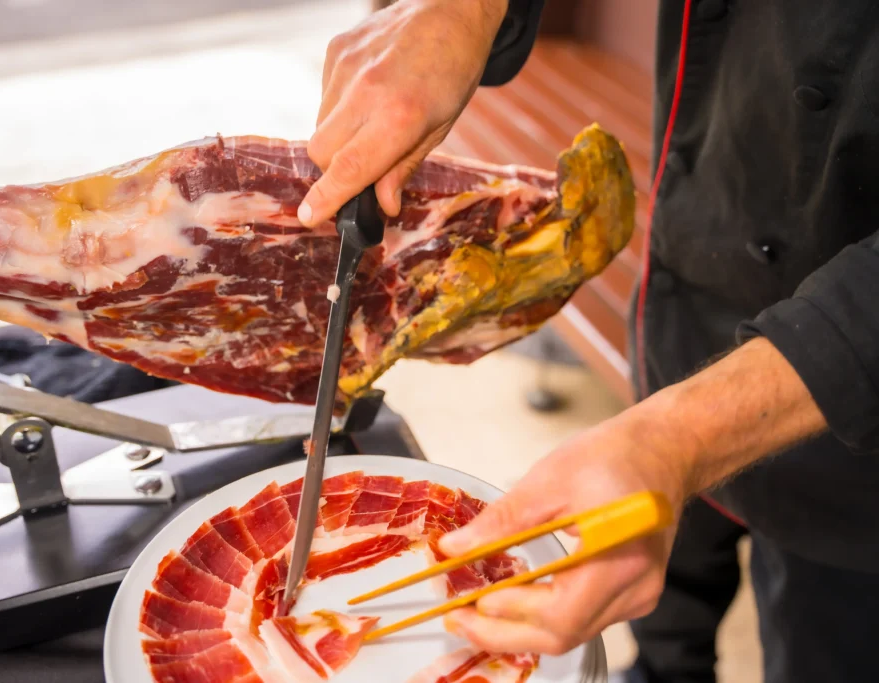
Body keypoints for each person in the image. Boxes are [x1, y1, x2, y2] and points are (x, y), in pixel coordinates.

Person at [298, 1, 879, 682]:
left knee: (818, 637)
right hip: (703, 240)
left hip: (852, 421)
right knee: (656, 595)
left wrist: (683, 437)